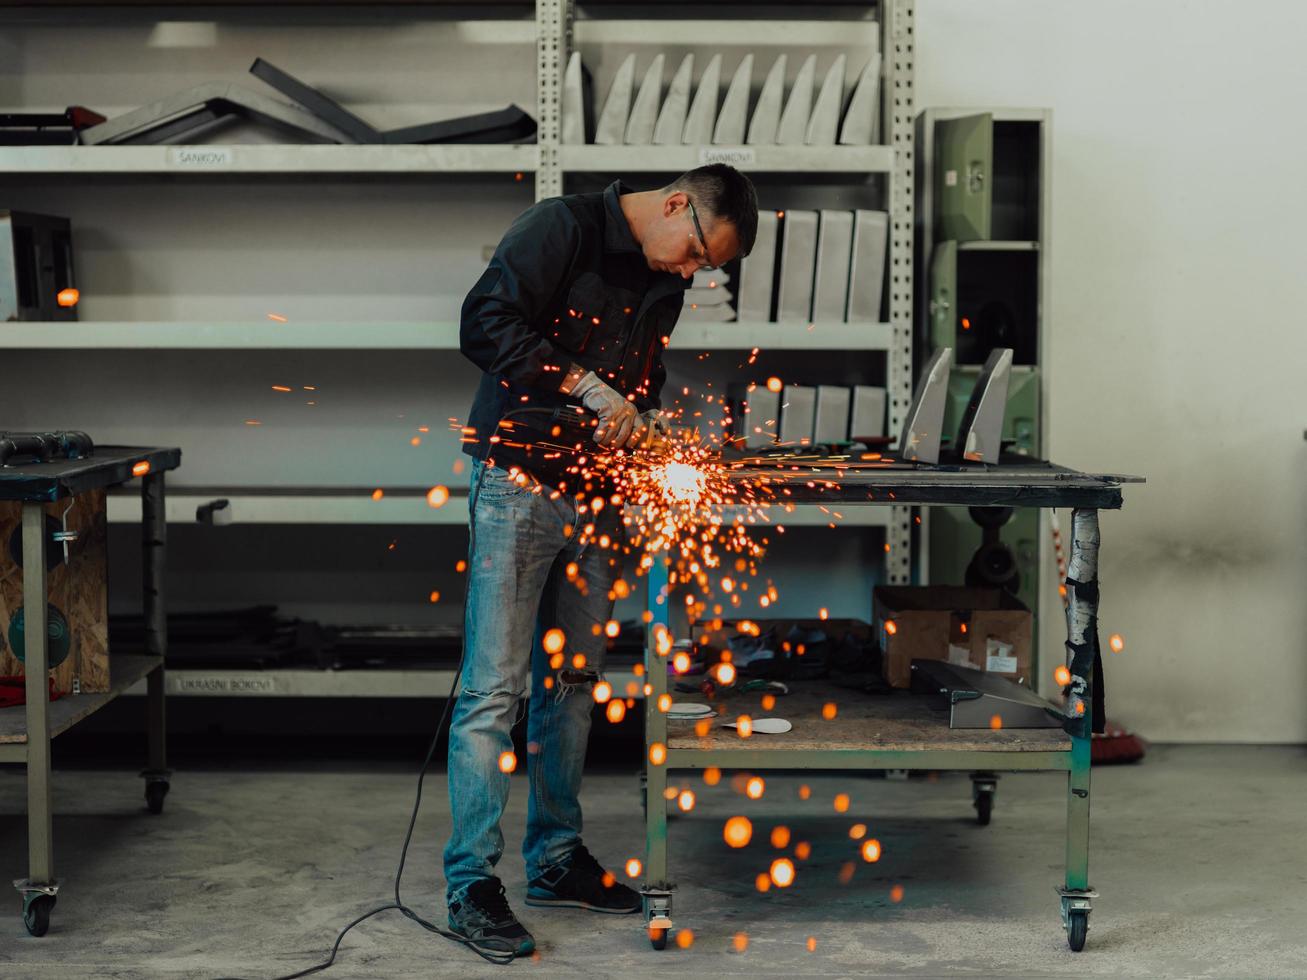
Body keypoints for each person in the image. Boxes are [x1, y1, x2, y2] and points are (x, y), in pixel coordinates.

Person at [444, 164, 758, 959]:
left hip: (595, 493)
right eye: (692, 252)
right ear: (675, 202)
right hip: (515, 483)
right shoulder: (561, 229)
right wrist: (585, 386)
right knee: (492, 690)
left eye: (703, 268)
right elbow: (482, 322)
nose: (690, 272)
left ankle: (553, 860)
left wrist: (644, 416)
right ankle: (471, 884)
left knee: (574, 683)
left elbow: (641, 377)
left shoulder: (666, 274)